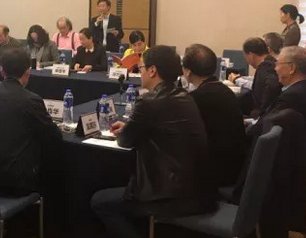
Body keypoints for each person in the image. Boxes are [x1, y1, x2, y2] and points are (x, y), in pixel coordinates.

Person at [91, 46, 215, 238]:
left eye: (140, 68)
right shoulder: (184, 96)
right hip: (199, 188)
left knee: (100, 202)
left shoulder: (150, 102)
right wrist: (132, 127)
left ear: (152, 70)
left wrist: (127, 130)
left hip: (171, 194)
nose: (139, 73)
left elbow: (125, 141)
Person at [0, 48, 62, 195]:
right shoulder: (31, 100)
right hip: (19, 181)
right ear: (28, 72)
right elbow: (54, 136)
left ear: (2, 71)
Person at [182, 44, 246, 186]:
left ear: (188, 72)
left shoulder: (196, 98)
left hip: (212, 173)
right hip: (234, 167)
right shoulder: (226, 91)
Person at [248, 46, 306, 138]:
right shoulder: (305, 88)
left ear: (291, 68)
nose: (275, 69)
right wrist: (250, 121)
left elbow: (266, 126)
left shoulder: (292, 96)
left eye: (277, 64)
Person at [229, 37, 281, 117]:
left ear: (251, 55)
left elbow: (264, 85)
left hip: (263, 116)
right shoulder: (270, 62)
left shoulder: (266, 67)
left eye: (245, 57)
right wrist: (241, 78)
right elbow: (260, 81)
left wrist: (261, 114)